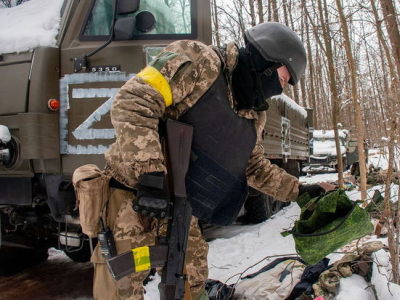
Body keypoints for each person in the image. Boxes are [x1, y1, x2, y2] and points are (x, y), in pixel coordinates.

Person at [93, 22, 331, 300]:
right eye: (282, 78)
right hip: (132, 196)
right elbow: (134, 101)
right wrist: (149, 172)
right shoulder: (197, 61)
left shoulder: (253, 114)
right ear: (266, 60)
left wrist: (298, 191)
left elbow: (253, 167)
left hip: (181, 207)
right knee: (120, 289)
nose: (279, 89)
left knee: (191, 286)